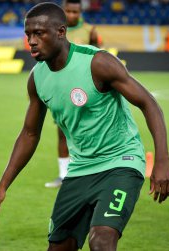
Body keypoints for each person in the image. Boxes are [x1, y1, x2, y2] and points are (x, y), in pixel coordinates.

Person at [0, 3, 169, 251]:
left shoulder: (98, 62)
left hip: (121, 162)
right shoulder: (37, 78)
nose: (31, 41)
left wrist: (162, 161)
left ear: (61, 32)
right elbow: (30, 133)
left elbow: (149, 104)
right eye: (28, 34)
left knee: (102, 240)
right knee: (59, 247)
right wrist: (2, 187)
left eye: (39, 33)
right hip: (80, 169)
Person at [45, 0, 102, 188]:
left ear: (80, 11)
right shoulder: (56, 29)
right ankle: (63, 176)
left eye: (75, 11)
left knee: (91, 131)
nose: (71, 15)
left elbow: (99, 55)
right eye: (68, 11)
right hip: (62, 89)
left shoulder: (90, 30)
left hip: (87, 90)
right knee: (62, 132)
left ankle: (93, 172)